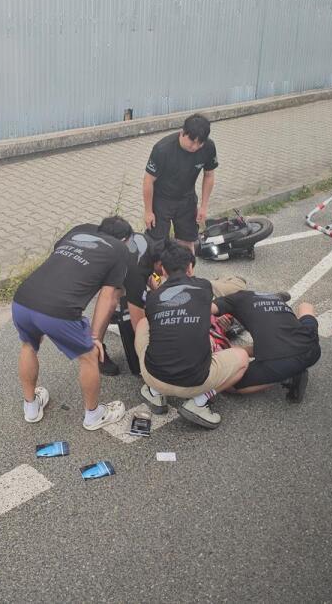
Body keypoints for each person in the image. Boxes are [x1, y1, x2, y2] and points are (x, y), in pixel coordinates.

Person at [11, 216, 131, 430]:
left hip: (22, 299)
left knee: (28, 345)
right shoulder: (119, 249)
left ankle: (31, 407)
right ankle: (93, 415)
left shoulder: (80, 230)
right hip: (58, 310)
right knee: (89, 356)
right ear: (123, 240)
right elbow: (108, 298)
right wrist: (95, 337)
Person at [134, 244, 249, 428]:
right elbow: (238, 286)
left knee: (143, 324)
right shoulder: (204, 286)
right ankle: (199, 403)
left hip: (153, 375)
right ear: (190, 268)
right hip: (195, 383)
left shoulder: (154, 297)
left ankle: (155, 393)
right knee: (242, 357)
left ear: (163, 270)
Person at [211, 291, 320, 402]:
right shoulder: (273, 297)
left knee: (230, 385)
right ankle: (293, 368)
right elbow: (264, 346)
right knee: (305, 306)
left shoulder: (231, 300)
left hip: (282, 359)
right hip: (311, 345)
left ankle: (287, 376)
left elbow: (207, 308)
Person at [143, 114, 217, 251]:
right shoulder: (162, 149)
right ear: (183, 132)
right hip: (161, 201)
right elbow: (148, 180)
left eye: (199, 143)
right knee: (157, 245)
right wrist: (148, 211)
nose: (195, 147)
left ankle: (188, 265)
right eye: (192, 141)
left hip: (187, 199)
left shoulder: (208, 147)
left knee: (187, 242)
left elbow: (209, 175)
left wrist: (204, 206)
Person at [100, 231, 165, 377]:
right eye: (166, 270)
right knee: (111, 299)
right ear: (159, 263)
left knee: (125, 291)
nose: (165, 275)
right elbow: (139, 327)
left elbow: (146, 271)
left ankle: (117, 316)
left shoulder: (151, 247)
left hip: (113, 254)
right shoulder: (137, 271)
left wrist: (159, 290)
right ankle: (96, 351)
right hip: (94, 260)